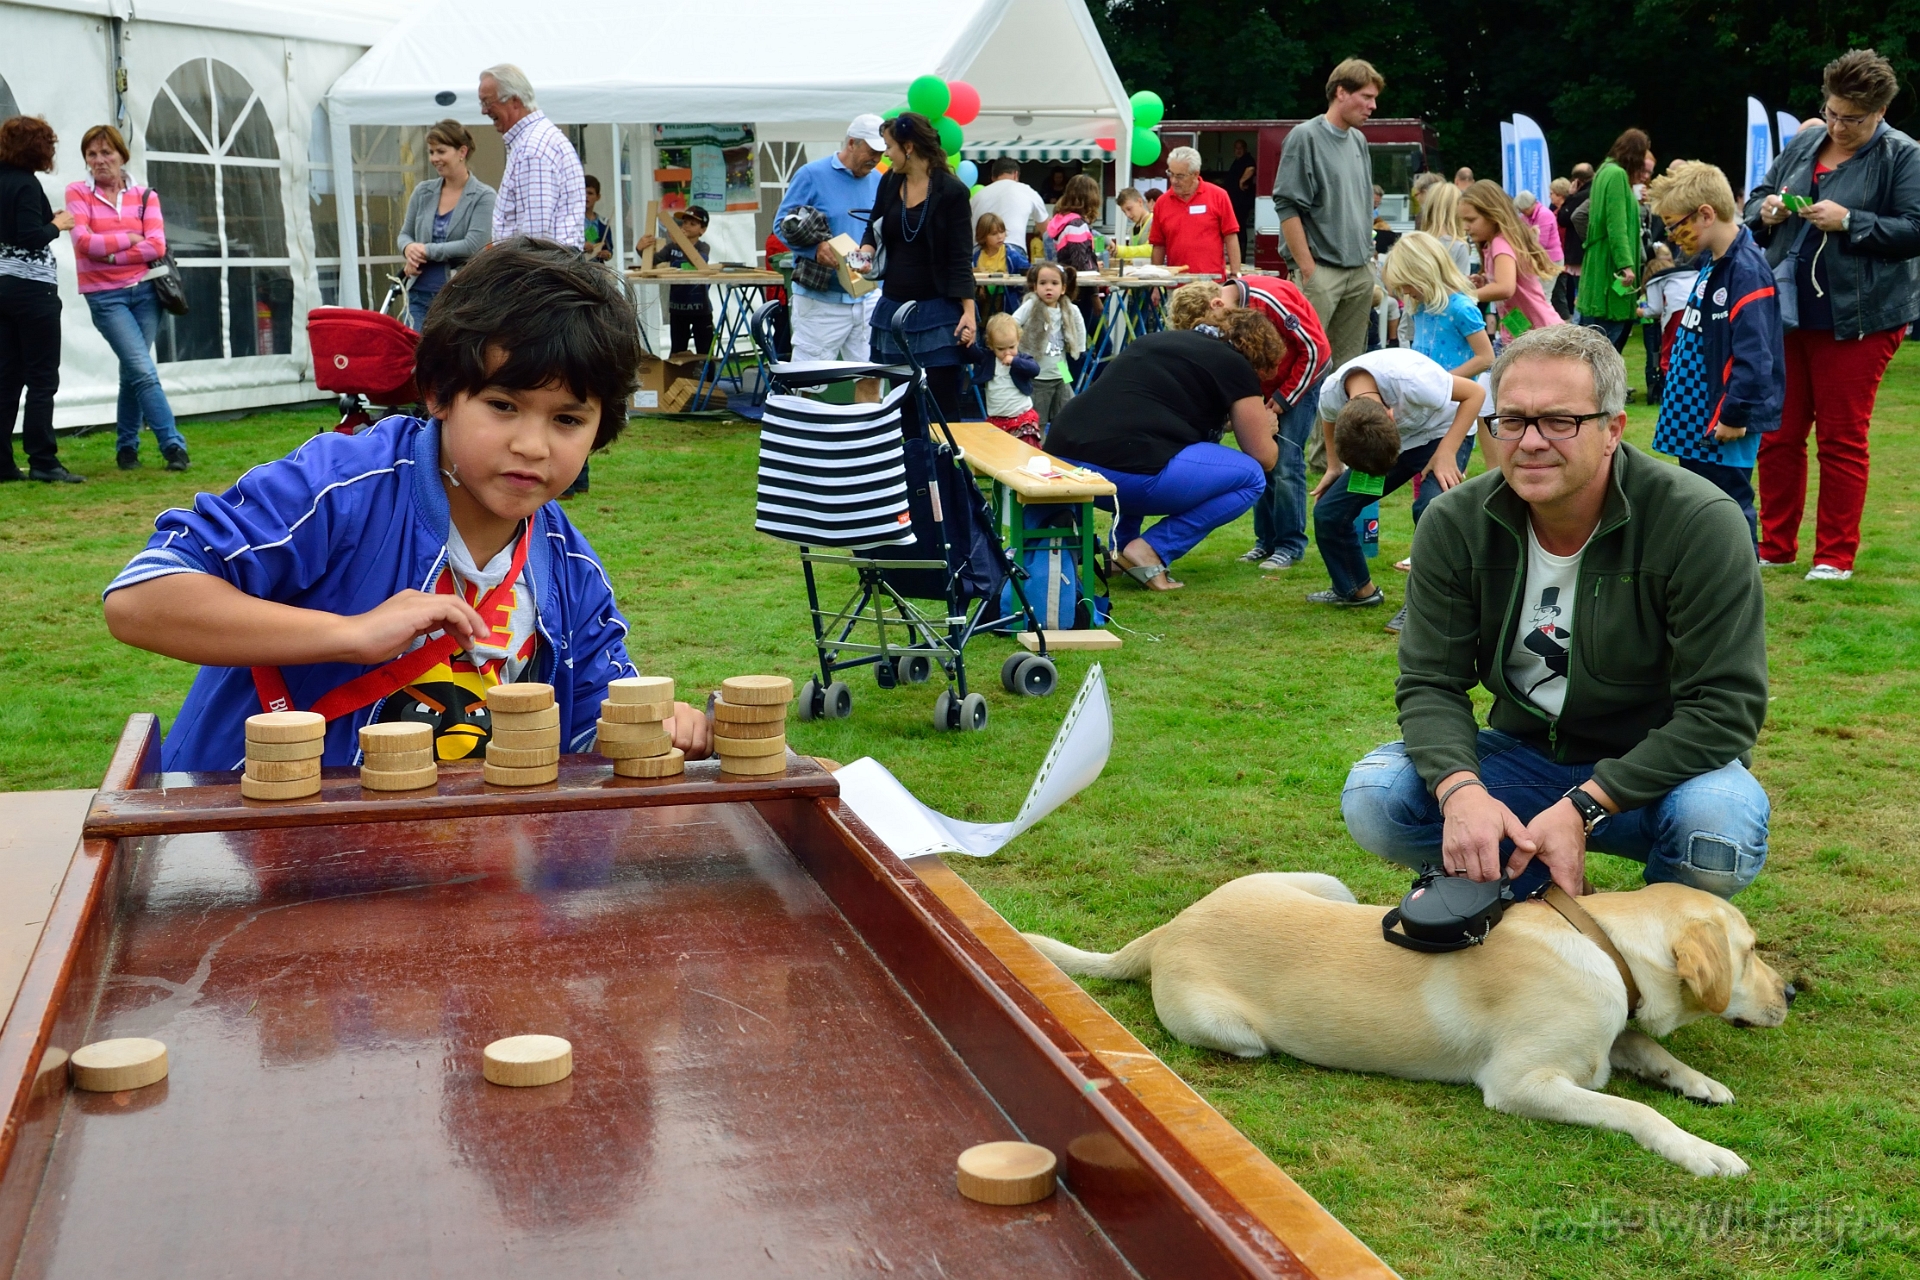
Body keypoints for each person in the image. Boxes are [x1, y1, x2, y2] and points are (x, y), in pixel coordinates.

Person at [102, 239, 713, 770]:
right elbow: (142, 599)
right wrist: (349, 634)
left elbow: (589, 726)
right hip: (249, 853)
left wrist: (659, 727)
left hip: (444, 878)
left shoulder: (570, 569)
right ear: (439, 393)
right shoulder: (340, 488)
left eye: (568, 419)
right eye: (503, 405)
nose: (533, 445)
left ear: (601, 428)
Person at [1341, 324, 1770, 901]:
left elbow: (1725, 709)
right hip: (1525, 756)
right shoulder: (1453, 522)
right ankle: (1542, 895)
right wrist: (1461, 790)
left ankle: (1662, 949)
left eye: (1561, 421)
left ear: (1613, 429)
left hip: (1660, 772)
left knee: (1718, 830)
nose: (1531, 441)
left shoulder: (1699, 522)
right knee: (1376, 797)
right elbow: (1430, 682)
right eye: (1513, 420)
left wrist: (1586, 805)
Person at [1747, 47, 1920, 582]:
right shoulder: (1804, 141)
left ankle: (1834, 557)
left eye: (1855, 119)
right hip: (1787, 310)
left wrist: (1853, 221)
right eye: (1835, 112)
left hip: (1862, 316)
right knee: (1777, 435)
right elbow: (1753, 200)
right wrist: (1768, 210)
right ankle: (1775, 547)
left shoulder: (1903, 154)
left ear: (1881, 112)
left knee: (1841, 439)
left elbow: (1914, 229)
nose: (1841, 126)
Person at [1044, 311, 1283, 590]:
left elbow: (1144, 416)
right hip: (1123, 476)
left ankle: (1120, 551)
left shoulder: (1156, 340)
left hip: (1063, 459)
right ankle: (1151, 549)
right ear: (1259, 357)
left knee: (1147, 445)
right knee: (1252, 477)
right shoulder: (1236, 366)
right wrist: (1265, 428)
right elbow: (1264, 456)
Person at [1645, 162, 1784, 545]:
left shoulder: (1746, 271)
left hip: (1723, 420)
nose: (1673, 237)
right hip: (1695, 417)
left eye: (1675, 225)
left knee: (1728, 503)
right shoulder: (1713, 263)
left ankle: (1740, 581)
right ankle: (1708, 576)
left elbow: (1756, 355)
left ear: (1706, 214)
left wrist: (1735, 412)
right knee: (1698, 504)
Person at [1168, 277, 1330, 572]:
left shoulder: (1270, 300)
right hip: (1264, 384)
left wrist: (1283, 400)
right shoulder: (1224, 307)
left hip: (1301, 379)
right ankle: (1265, 540)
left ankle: (1290, 545)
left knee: (1286, 463)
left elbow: (1316, 350)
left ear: (1217, 305)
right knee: (1260, 457)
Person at [1306, 348, 1484, 611]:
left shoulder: (1414, 380)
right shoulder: (1332, 393)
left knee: (1431, 508)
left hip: (1442, 433)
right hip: (1390, 443)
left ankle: (1425, 606)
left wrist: (1446, 453)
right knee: (1330, 510)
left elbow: (1475, 393)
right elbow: (1329, 419)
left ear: (1391, 414)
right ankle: (1356, 591)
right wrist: (1334, 466)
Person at [65, 123, 189, 472]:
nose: (100, 161)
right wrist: (132, 238)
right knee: (143, 370)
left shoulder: (145, 195)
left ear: (122, 156)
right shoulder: (78, 192)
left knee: (131, 372)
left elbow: (157, 245)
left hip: (147, 291)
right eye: (92, 154)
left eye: (107, 153)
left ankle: (126, 449)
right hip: (105, 297)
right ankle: (173, 445)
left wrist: (113, 254)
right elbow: (83, 243)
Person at [1381, 230, 1494, 560]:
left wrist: (1441, 381)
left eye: (1407, 285)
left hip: (1455, 412)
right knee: (1422, 478)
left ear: (1424, 272)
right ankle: (1425, 546)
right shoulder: (1419, 307)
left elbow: (1485, 357)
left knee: (1438, 488)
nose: (1405, 293)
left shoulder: (1461, 308)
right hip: (1422, 411)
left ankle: (1438, 552)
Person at [861, 113, 977, 421]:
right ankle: (912, 468)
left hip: (937, 314)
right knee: (905, 408)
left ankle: (944, 469)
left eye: (889, 146)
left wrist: (968, 311)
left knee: (942, 410)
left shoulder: (952, 191)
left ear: (908, 147)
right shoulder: (890, 181)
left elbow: (960, 256)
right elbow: (873, 225)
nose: (886, 153)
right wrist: (866, 250)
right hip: (894, 310)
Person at [1273, 59, 1383, 371]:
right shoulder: (1304, 136)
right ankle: (1296, 424)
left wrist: (1369, 261)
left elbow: (1361, 207)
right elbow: (1286, 205)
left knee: (1349, 369)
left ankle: (1338, 424)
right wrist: (1308, 270)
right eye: (1366, 96)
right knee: (1304, 365)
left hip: (1359, 272)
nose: (1373, 106)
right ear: (1340, 93)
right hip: (1321, 273)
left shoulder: (1359, 140)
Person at [0, 115, 80, 484]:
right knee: (42, 378)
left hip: (2, 287)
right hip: (33, 290)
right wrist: (58, 225)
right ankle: (43, 460)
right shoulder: (26, 184)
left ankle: (1, 462)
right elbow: (30, 236)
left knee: (7, 376)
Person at [774, 115, 885, 366]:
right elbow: (782, 224)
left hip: (868, 297)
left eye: (882, 152)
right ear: (852, 143)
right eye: (871, 151)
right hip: (820, 300)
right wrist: (814, 250)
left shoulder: (879, 180)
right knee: (808, 381)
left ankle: (867, 409)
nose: (877, 159)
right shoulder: (811, 174)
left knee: (871, 377)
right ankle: (798, 407)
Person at [397, 119, 497, 330]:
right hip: (418, 296)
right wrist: (408, 248)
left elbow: (473, 245)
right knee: (413, 357)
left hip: (458, 298)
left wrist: (425, 250)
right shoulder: (423, 192)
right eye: (431, 152)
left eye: (440, 151)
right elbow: (404, 234)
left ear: (462, 151)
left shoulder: (484, 196)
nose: (434, 158)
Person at [480, 64, 584, 249]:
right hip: (552, 267)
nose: (484, 110)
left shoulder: (533, 149)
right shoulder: (536, 141)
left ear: (514, 101)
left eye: (488, 102)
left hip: (542, 271)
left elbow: (536, 237)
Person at [1574, 130, 1652, 350]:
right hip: (1610, 269)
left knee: (1592, 345)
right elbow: (1616, 225)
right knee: (1605, 348)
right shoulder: (1617, 175)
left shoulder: (1603, 171)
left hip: (1599, 265)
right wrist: (1626, 265)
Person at [1461, 180, 1562, 336]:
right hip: (1524, 331)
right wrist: (1486, 281)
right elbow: (1507, 281)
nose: (1465, 227)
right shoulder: (1493, 243)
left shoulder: (1500, 243)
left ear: (1493, 215)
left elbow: (1505, 288)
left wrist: (1463, 296)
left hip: (1540, 334)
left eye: (1471, 220)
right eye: (1463, 220)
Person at [1012, 261, 1084, 429]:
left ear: (1063, 288)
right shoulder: (1031, 306)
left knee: (1068, 410)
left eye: (1054, 283)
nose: (1048, 288)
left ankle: (1063, 445)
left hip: (1062, 369)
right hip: (1039, 374)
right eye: (1043, 283)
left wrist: (1079, 348)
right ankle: (1039, 447)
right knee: (1039, 417)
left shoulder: (1069, 309)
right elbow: (1013, 322)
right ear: (1035, 287)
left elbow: (1078, 325)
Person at [1151, 147, 1242, 277]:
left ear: (1195, 174)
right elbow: (1158, 246)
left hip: (1212, 282)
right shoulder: (1162, 202)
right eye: (1171, 173)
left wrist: (1235, 274)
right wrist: (1156, 284)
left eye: (1180, 176)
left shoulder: (1218, 196)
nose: (1174, 180)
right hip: (1176, 283)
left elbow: (1231, 237)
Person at [638, 206, 713, 355]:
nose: (686, 226)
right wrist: (640, 249)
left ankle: (708, 379)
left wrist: (681, 242)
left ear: (702, 230)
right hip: (678, 309)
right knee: (677, 352)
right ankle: (678, 379)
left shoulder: (703, 247)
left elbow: (699, 262)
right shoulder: (671, 247)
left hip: (700, 309)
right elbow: (654, 260)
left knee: (705, 353)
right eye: (684, 222)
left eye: (693, 224)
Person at [969, 311, 1042, 445]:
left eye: (1011, 347)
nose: (1007, 352)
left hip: (1061, 370)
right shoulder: (1033, 303)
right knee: (1044, 409)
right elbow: (973, 354)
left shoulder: (1065, 309)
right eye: (1001, 349)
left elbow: (1035, 368)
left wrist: (1077, 347)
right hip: (1041, 384)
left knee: (1068, 399)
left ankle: (1059, 439)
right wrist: (966, 342)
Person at [1045, 173, 1104, 335]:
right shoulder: (1077, 225)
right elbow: (1080, 265)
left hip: (1067, 286)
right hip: (1081, 291)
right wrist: (1095, 294)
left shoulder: (1060, 220)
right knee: (1089, 340)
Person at [970, 157, 1049, 255]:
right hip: (1013, 247)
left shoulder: (977, 196)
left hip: (981, 250)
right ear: (1016, 174)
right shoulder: (1027, 191)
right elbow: (1046, 230)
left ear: (993, 177)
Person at [1554, 163, 1595, 319]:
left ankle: (1578, 326)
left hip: (1579, 251)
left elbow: (1564, 218)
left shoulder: (1580, 196)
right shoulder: (1595, 192)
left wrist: (1570, 196)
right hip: (1587, 251)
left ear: (1577, 180)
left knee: (1581, 293)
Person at [971, 211, 1029, 315]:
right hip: (983, 304)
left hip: (1006, 303)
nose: (1000, 237)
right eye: (994, 234)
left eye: (1002, 232)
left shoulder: (1011, 254)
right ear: (983, 236)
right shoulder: (976, 256)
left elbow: (1028, 270)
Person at [1516, 190, 1563, 272]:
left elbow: (1541, 243)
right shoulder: (1525, 216)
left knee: (1543, 285)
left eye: (1523, 210)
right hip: (1539, 260)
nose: (1522, 213)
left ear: (1529, 206)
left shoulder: (1544, 214)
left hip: (1551, 261)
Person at [1226, 138, 1258, 258]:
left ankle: (1241, 256)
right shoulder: (1237, 161)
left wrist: (1242, 181)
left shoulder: (1247, 159)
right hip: (1234, 200)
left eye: (1240, 148)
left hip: (1241, 201)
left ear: (1245, 149)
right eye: (1236, 148)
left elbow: (1251, 168)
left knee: (1239, 226)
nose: (1238, 151)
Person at [1114, 187, 1154, 263]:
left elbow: (1151, 249)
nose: (1128, 215)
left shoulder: (1154, 222)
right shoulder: (1132, 229)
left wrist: (1121, 251)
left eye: (1129, 209)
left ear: (1140, 202)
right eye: (1124, 212)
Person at [582, 176, 611, 263]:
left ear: (598, 197)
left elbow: (609, 249)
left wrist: (607, 254)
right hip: (577, 268)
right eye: (583, 192)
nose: (586, 196)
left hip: (597, 269)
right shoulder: (570, 221)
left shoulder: (603, 222)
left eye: (590, 193)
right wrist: (580, 245)